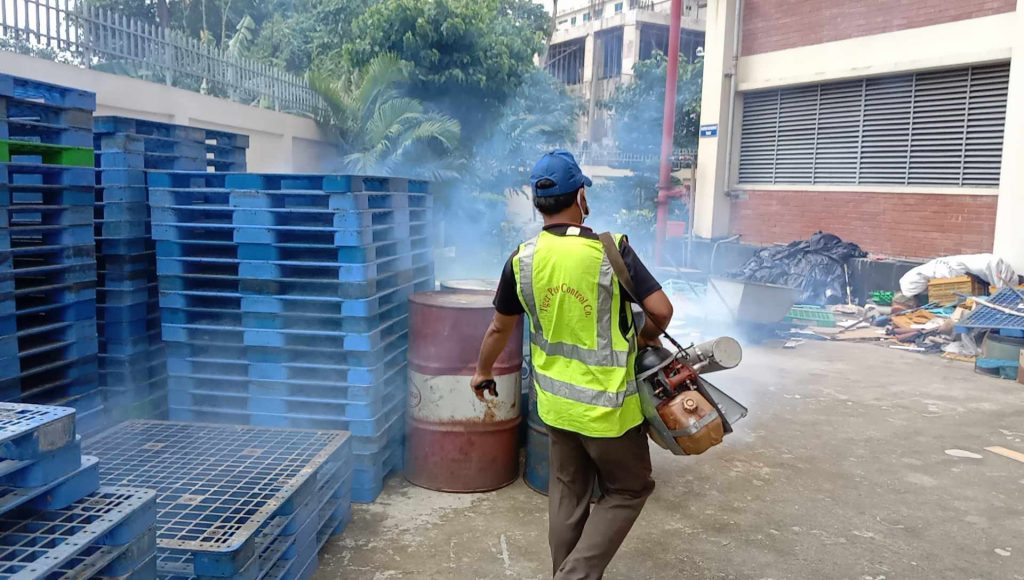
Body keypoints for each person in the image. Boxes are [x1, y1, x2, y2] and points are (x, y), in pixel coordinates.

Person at [471, 149, 674, 579]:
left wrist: (483, 371)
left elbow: (497, 329)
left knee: (568, 494)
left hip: (557, 407)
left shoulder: (522, 259)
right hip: (610, 409)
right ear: (581, 196)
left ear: (536, 202)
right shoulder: (611, 250)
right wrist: (643, 339)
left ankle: (563, 571)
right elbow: (661, 310)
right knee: (629, 488)